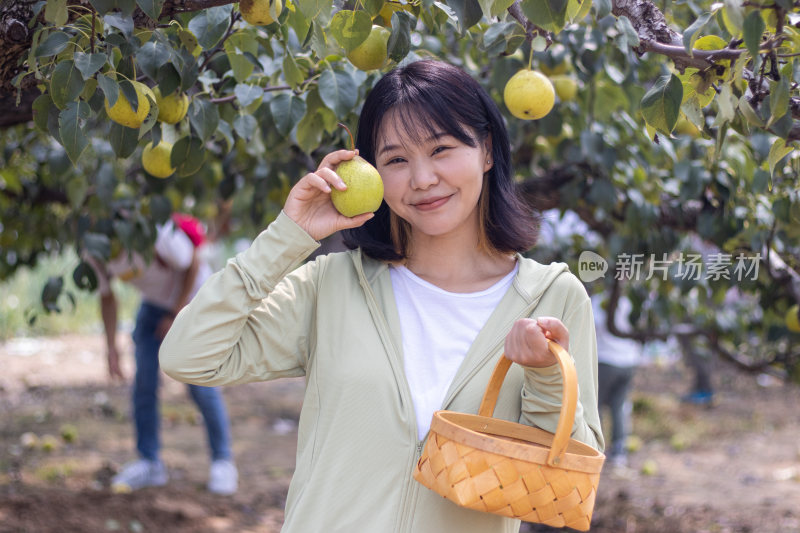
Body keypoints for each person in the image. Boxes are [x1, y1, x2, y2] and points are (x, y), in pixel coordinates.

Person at [159, 60, 602, 532]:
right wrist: (289, 236)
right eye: (395, 160)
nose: (423, 178)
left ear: (487, 151)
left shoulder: (551, 297)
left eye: (442, 149)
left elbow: (567, 468)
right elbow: (189, 356)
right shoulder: (332, 287)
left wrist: (544, 376)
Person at [90, 214, 238, 495]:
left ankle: (222, 461)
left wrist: (175, 314)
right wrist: (111, 349)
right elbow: (107, 295)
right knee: (144, 383)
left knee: (200, 385)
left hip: (193, 300)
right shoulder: (94, 248)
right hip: (154, 307)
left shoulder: (152, 231)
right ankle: (150, 462)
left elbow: (193, 263)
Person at [591, 291, 642, 468]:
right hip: (628, 361)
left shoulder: (599, 301)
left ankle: (595, 449)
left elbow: (591, 326)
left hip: (606, 360)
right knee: (619, 406)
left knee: (595, 406)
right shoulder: (634, 302)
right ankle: (619, 452)